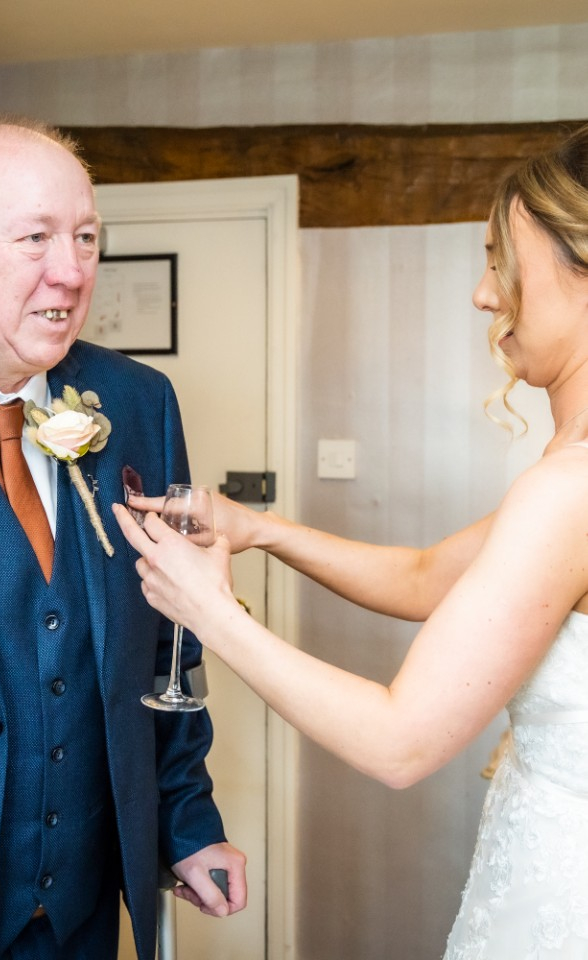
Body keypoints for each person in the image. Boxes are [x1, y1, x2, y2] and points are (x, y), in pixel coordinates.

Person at [114, 124, 588, 958]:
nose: (483, 294)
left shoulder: (571, 490)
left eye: (500, 261)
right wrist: (258, 526)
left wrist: (210, 610)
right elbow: (424, 575)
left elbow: (402, 741)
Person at [0, 113, 246, 960]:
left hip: (82, 910)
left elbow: (168, 643)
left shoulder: (138, 404)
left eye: (85, 238)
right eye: (34, 238)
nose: (70, 274)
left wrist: (187, 822)